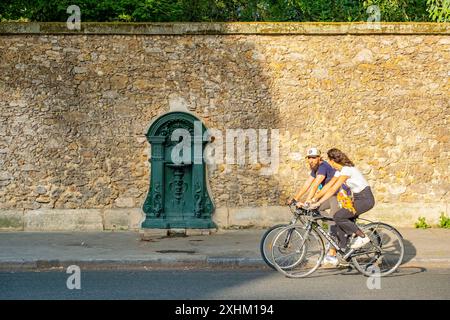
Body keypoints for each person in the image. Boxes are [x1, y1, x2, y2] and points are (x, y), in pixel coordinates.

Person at [311, 148, 375, 252]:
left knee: (338, 216)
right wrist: (314, 199)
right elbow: (328, 186)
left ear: (333, 160)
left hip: (365, 199)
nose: (329, 163)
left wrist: (318, 202)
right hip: (358, 198)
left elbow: (333, 189)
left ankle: (362, 237)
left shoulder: (347, 170)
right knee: (339, 221)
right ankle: (344, 251)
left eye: (329, 160)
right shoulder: (339, 171)